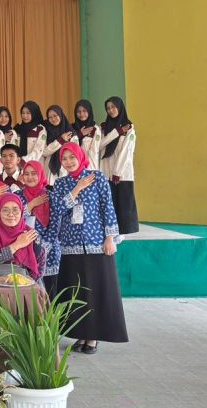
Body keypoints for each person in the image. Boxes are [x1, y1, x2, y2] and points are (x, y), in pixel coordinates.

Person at [52, 142, 128, 354]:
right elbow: (57, 209)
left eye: (72, 157)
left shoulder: (98, 178)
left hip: (96, 245)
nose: (68, 162)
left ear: (80, 157)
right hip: (71, 246)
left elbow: (107, 207)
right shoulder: (60, 183)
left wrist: (110, 238)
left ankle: (93, 337)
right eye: (64, 158)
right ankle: (81, 333)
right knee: (77, 292)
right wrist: (77, 188)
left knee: (95, 291)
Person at [18, 161, 61, 297]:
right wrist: (30, 205)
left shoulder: (50, 196)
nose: (30, 177)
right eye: (26, 174)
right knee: (26, 292)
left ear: (41, 174)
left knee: (49, 292)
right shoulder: (17, 196)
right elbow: (13, 219)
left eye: (34, 173)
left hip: (49, 251)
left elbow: (55, 224)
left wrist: (43, 247)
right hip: (24, 249)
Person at [0, 193, 45, 282]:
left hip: (25, 285)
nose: (11, 214)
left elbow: (40, 268)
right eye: (5, 210)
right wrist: (16, 245)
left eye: (15, 210)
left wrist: (25, 283)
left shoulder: (31, 234)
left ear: (21, 211)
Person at [100, 96, 139, 235]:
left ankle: (126, 230)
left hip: (122, 172)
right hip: (107, 171)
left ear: (120, 107)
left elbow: (127, 151)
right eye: (108, 108)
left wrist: (117, 171)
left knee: (124, 201)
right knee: (110, 202)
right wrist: (117, 132)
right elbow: (99, 145)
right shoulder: (104, 127)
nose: (111, 110)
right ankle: (111, 230)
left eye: (113, 107)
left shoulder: (129, 127)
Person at [42, 105, 78, 186]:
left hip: (67, 172)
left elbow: (76, 154)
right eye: (50, 117)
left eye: (55, 115)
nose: (53, 119)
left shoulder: (71, 133)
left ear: (60, 115)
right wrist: (60, 140)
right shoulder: (46, 132)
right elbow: (44, 152)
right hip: (49, 172)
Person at [73, 100, 102, 172]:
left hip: (88, 168)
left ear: (89, 111)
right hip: (72, 167)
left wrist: (90, 171)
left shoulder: (95, 129)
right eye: (78, 111)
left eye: (84, 111)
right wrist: (79, 134)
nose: (81, 114)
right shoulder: (71, 128)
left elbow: (94, 152)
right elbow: (68, 146)